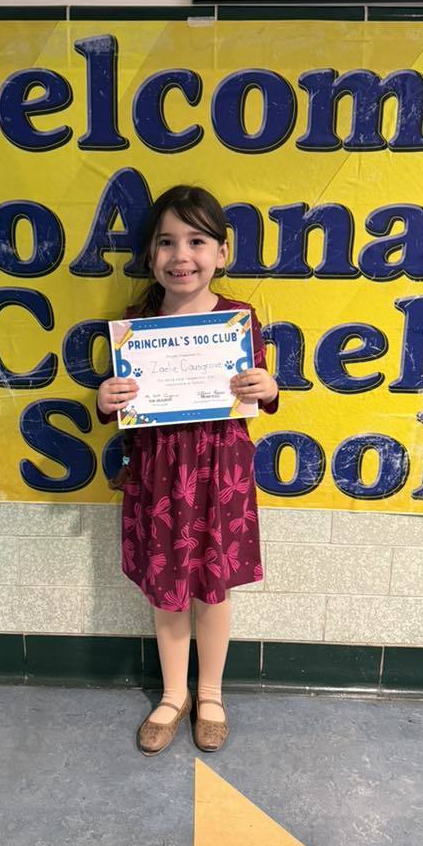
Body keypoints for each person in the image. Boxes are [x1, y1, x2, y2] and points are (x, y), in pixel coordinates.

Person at [96, 186, 279, 757]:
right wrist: (106, 398)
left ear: (220, 253)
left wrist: (268, 387)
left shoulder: (239, 321)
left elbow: (262, 390)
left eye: (197, 241)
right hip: (158, 473)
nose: (182, 255)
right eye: (167, 243)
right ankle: (173, 694)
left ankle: (211, 694)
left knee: (213, 584)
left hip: (218, 469)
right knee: (168, 586)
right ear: (151, 257)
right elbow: (117, 405)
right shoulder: (134, 325)